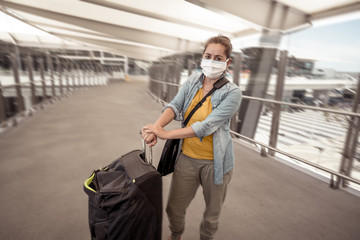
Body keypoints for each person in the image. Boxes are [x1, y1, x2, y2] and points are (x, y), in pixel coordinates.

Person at [142, 35, 242, 240]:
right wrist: (156, 127)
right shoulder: (191, 82)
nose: (212, 61)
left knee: (211, 216)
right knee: (173, 208)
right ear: (202, 57)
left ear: (227, 62)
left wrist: (166, 134)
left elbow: (207, 126)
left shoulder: (233, 93)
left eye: (218, 58)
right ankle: (176, 234)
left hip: (216, 164)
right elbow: (174, 105)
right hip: (186, 158)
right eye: (208, 56)